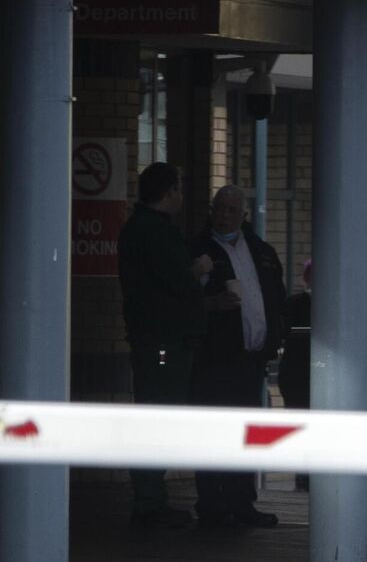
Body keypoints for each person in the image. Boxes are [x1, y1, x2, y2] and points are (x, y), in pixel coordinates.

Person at [117, 162, 211, 528]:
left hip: (154, 338)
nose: (182, 196)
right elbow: (176, 280)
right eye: (179, 189)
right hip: (162, 342)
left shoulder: (137, 229)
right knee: (158, 412)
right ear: (169, 191)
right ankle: (149, 501)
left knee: (155, 413)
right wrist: (198, 269)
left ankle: (151, 498)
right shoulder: (154, 231)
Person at [189, 185, 286, 528]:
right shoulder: (196, 249)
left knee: (244, 431)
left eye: (231, 210)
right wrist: (211, 303)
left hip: (251, 359)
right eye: (219, 209)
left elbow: (276, 298)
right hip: (214, 359)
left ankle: (242, 502)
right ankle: (212, 504)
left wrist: (275, 338)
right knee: (211, 431)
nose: (224, 216)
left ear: (243, 214)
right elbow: (179, 301)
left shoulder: (261, 251)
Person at [279, 258, 311, 491]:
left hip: (296, 373)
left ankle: (304, 476)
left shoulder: (293, 304)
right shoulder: (294, 304)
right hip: (298, 375)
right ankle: (304, 475)